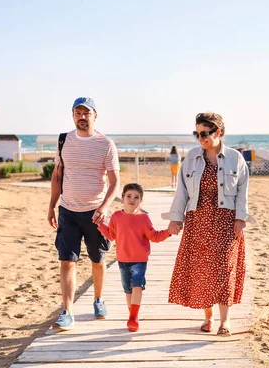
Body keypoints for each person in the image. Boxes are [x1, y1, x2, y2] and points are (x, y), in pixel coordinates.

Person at [164, 112, 254, 336]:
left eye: (204, 133)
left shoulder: (235, 158)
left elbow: (243, 192)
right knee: (203, 269)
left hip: (226, 220)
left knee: (224, 269)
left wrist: (241, 219)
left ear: (218, 133)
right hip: (199, 220)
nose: (200, 138)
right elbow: (182, 190)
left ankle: (226, 320)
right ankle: (208, 318)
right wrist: (177, 218)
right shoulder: (192, 157)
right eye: (197, 133)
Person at [47, 97, 120, 330]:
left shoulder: (106, 144)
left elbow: (115, 181)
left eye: (86, 113)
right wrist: (51, 205)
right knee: (67, 260)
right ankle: (67, 312)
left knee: (98, 260)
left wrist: (104, 207)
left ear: (95, 116)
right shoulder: (63, 141)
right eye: (77, 112)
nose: (81, 116)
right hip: (68, 210)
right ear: (72, 116)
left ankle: (98, 299)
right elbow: (57, 176)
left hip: (96, 213)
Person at [98, 183, 175, 332]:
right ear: (122, 198)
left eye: (136, 197)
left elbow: (155, 236)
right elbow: (111, 235)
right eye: (129, 196)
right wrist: (100, 225)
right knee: (128, 290)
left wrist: (169, 232)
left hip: (139, 260)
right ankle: (133, 316)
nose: (132, 199)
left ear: (141, 201)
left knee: (137, 285)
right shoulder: (116, 217)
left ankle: (133, 317)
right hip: (122, 260)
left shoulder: (143, 219)